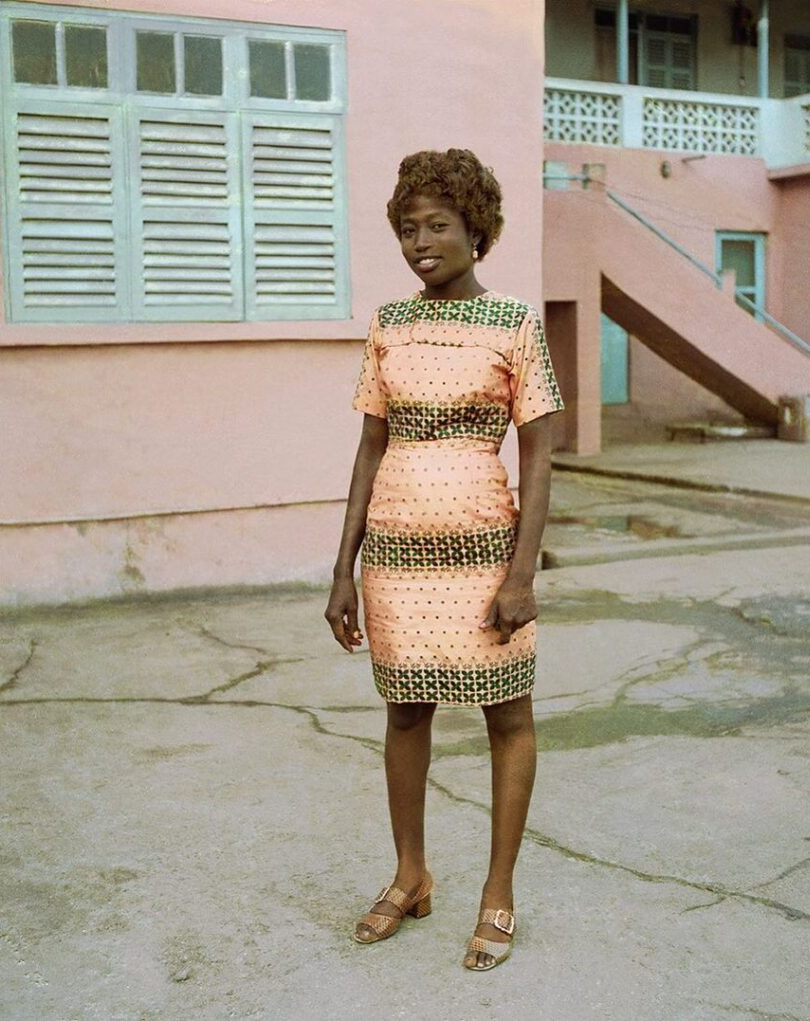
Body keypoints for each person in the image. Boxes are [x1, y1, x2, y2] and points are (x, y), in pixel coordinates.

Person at [324, 148, 564, 971]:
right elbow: (369, 447)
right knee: (404, 712)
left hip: (487, 556)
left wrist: (522, 573)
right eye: (407, 228)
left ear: (476, 230)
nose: (420, 242)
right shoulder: (389, 324)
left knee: (508, 716)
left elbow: (539, 456)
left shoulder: (516, 325)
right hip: (394, 557)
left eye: (436, 225)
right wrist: (343, 568)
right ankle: (412, 874)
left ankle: (498, 890)